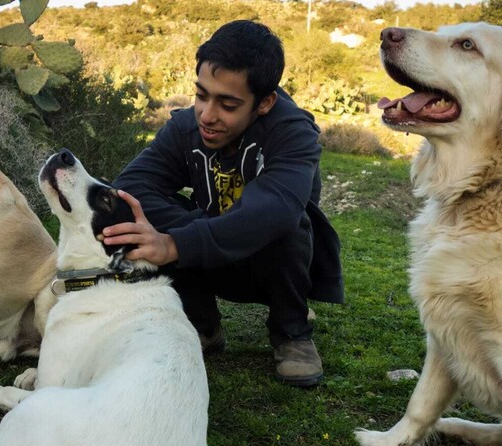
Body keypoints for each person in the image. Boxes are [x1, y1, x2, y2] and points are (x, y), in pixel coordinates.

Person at [103, 19, 343, 387]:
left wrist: (176, 243)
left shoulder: (293, 134)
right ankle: (201, 325)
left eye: (228, 104)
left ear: (264, 103)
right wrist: (188, 232)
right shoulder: (187, 128)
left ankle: (291, 333)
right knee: (137, 211)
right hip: (207, 257)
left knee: (290, 224)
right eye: (201, 95)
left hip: (272, 266)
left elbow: (275, 211)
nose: (207, 115)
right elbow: (131, 185)